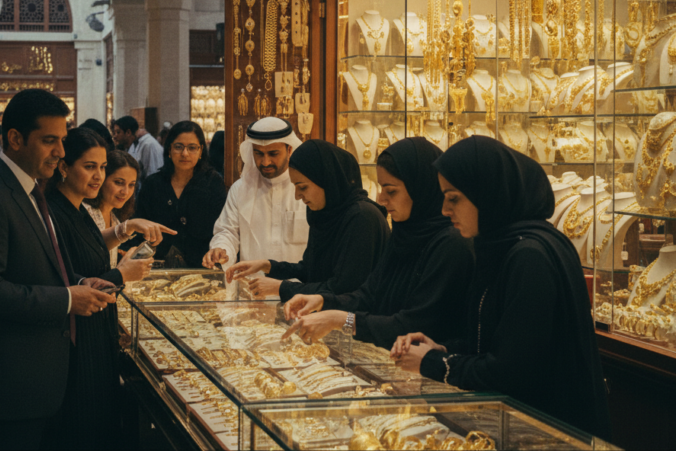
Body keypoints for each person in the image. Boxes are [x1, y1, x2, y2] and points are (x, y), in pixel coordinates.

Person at [389, 136, 611, 439]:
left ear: (487, 193)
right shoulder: (503, 246)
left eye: (454, 198)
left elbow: (512, 372)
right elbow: (496, 341)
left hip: (547, 435)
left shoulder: (529, 256)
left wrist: (433, 363)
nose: (444, 210)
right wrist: (442, 349)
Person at [0, 89, 115, 450]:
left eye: (62, 140)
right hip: (9, 387)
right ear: (15, 139)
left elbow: (39, 265)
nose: (60, 151)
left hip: (40, 383)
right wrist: (67, 299)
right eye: (49, 141)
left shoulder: (29, 189)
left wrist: (79, 281)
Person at [282, 138, 473, 350]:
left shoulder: (451, 244)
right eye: (382, 189)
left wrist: (342, 320)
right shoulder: (404, 234)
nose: (381, 199)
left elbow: (413, 325)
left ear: (420, 188)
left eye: (391, 191)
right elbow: (369, 295)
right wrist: (322, 301)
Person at [45, 128, 134, 449]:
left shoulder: (80, 209)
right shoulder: (54, 212)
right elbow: (68, 280)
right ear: (64, 167)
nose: (98, 176)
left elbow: (91, 255)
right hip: (77, 339)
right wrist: (121, 274)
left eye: (102, 167)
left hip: (95, 334)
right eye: (89, 166)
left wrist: (125, 230)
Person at [227, 140, 389, 301]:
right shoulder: (324, 214)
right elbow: (310, 270)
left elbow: (343, 290)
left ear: (326, 180)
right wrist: (268, 265)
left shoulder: (362, 218)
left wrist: (280, 288)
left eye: (302, 187)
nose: (297, 195)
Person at [202, 118, 307, 273]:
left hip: (300, 286)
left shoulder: (306, 189)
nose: (265, 162)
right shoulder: (240, 189)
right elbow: (228, 232)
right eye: (258, 154)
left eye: (273, 154)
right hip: (252, 285)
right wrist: (221, 249)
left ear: (289, 150)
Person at [128, 121, 227, 268]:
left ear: (201, 151)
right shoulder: (153, 184)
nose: (185, 153)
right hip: (156, 269)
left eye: (192, 148)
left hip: (203, 268)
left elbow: (222, 229)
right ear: (169, 149)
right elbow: (138, 227)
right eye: (178, 147)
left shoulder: (213, 183)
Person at [85, 150, 174, 269]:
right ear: (102, 178)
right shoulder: (84, 212)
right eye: (119, 182)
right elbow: (87, 253)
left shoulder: (115, 218)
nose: (125, 192)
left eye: (131, 185)